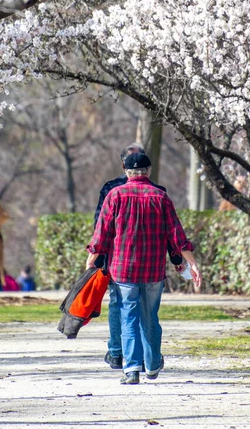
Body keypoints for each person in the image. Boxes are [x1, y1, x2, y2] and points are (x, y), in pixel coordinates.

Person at [87, 152, 201, 385]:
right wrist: (191, 261)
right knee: (150, 317)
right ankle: (152, 364)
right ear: (148, 171)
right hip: (152, 271)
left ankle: (131, 370)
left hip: (123, 270)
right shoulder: (161, 197)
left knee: (128, 317)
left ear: (126, 171)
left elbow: (102, 234)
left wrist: (91, 259)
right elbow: (176, 234)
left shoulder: (114, 195)